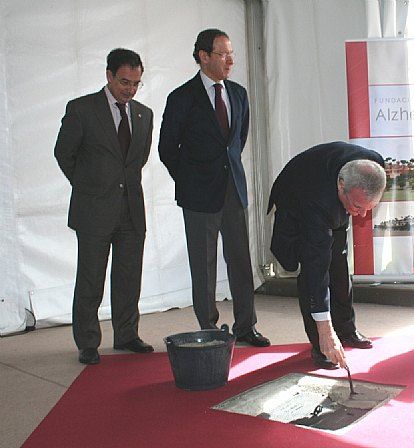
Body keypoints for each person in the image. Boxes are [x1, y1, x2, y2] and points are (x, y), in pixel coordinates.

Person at [159, 29, 270, 347]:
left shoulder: (238, 93)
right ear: (203, 56)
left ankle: (246, 326)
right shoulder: (181, 97)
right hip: (198, 195)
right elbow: (168, 148)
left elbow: (236, 141)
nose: (230, 60)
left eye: (231, 53)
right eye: (223, 54)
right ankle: (208, 327)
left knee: (241, 261)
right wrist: (190, 179)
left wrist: (226, 169)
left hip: (233, 189)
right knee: (203, 265)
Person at [54, 48, 154, 365]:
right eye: (125, 82)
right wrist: (89, 186)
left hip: (131, 211)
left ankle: (126, 335)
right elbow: (63, 154)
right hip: (94, 210)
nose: (130, 89)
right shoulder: (82, 109)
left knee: (128, 277)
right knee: (91, 279)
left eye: (136, 83)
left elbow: (137, 161)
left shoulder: (143, 114)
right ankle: (87, 342)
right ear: (109, 76)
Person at [268, 141, 387, 369]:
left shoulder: (375, 167)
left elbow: (353, 205)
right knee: (312, 268)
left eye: (367, 209)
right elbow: (317, 269)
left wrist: (352, 206)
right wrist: (325, 329)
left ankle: (346, 328)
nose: (361, 215)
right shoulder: (317, 200)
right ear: (341, 186)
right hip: (296, 197)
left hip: (329, 194)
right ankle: (321, 344)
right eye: (357, 206)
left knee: (340, 265)